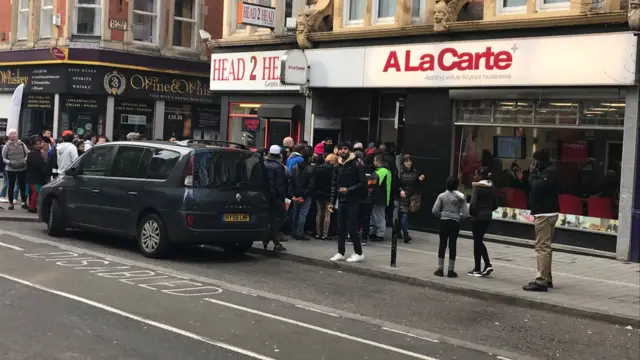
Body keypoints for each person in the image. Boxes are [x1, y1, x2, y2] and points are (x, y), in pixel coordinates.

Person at [523, 150, 559, 292]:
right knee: (546, 247)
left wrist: (531, 174)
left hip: (545, 213)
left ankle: (541, 281)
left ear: (539, 161)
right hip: (545, 212)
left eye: (534, 161)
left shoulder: (550, 172)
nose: (532, 164)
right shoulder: (546, 172)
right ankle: (547, 278)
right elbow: (532, 187)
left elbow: (538, 187)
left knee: (542, 247)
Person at [329, 142, 366, 263]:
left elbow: (362, 183)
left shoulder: (357, 163)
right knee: (341, 227)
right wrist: (332, 201)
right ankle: (341, 252)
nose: (343, 151)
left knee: (352, 226)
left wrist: (348, 190)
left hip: (353, 200)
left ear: (349, 150)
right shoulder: (338, 165)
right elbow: (334, 184)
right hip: (342, 200)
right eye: (341, 149)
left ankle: (358, 252)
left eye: (345, 149)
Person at [432, 176, 468, 278]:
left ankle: (440, 269)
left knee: (442, 244)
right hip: (455, 222)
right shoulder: (461, 198)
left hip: (444, 221)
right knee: (452, 245)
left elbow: (434, 210)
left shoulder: (442, 196)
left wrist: (442, 215)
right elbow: (465, 214)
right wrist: (457, 216)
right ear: (457, 185)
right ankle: (451, 270)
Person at [468, 166, 497, 277]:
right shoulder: (491, 187)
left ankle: (479, 268)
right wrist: (488, 210)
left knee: (477, 241)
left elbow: (473, 203)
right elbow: (495, 204)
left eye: (476, 174)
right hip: (487, 216)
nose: (475, 176)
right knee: (479, 240)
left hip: (477, 217)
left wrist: (472, 214)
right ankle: (485, 265)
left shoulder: (477, 187)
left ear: (480, 175)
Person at [262, 145, 287, 252]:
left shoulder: (263, 164)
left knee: (272, 218)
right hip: (275, 197)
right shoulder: (278, 167)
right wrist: (283, 197)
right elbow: (279, 185)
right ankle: (271, 238)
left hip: (265, 196)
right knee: (282, 216)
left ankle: (269, 238)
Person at [398, 154, 425, 243]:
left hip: (411, 198)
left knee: (404, 217)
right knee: (403, 217)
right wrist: (400, 190)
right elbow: (397, 184)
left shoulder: (415, 171)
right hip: (402, 198)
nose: (408, 163)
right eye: (406, 161)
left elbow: (416, 184)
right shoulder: (400, 172)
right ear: (403, 162)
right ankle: (406, 235)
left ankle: (400, 232)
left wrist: (420, 180)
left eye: (409, 161)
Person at [290, 147, 315, 240]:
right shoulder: (311, 169)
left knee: (295, 213)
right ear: (310, 157)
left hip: (296, 193)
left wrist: (293, 195)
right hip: (305, 195)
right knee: (303, 214)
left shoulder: (295, 167)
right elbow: (311, 185)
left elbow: (291, 181)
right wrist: (304, 196)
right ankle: (300, 233)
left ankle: (294, 231)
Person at [1, 129, 29, 210]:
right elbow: (3, 158)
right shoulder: (6, 146)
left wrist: (24, 161)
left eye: (14, 133)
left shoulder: (22, 144)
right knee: (11, 186)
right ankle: (11, 203)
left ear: (17, 135)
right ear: (9, 136)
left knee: (22, 185)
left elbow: (27, 153)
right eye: (11, 134)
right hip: (10, 169)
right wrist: (10, 162)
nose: (13, 135)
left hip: (22, 167)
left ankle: (24, 202)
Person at [314, 153, 337, 240]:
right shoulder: (334, 170)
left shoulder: (319, 168)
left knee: (319, 213)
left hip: (319, 193)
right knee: (327, 215)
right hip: (328, 194)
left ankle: (318, 233)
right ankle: (325, 234)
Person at [25, 137, 50, 213]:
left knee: (34, 192)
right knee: (35, 192)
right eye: (37, 144)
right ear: (33, 145)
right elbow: (40, 165)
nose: (39, 145)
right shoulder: (34, 154)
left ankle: (32, 206)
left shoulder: (35, 153)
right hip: (35, 177)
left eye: (40, 144)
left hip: (33, 177)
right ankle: (32, 207)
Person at [359, 155, 379, 245]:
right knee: (366, 219)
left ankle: (354, 237)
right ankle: (364, 238)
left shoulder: (360, 173)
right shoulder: (375, 175)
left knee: (357, 218)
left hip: (360, 199)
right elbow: (376, 188)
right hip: (369, 199)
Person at [371, 154, 391, 241]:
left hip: (380, 198)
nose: (373, 162)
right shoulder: (385, 170)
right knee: (377, 216)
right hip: (381, 197)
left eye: (375, 160)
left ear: (378, 161)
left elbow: (374, 183)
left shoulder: (382, 171)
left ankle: (380, 234)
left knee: (379, 216)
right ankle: (377, 232)